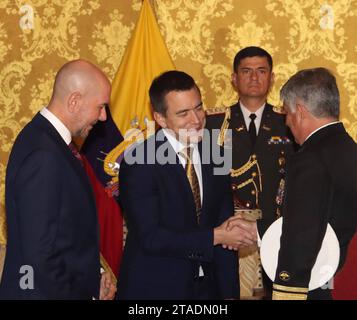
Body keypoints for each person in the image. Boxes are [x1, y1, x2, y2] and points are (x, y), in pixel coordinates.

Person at [117, 70, 256, 300]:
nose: (196, 119)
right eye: (183, 113)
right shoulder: (139, 162)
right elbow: (151, 237)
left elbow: (225, 227)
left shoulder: (216, 154)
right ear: (160, 119)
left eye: (199, 107)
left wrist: (230, 293)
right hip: (157, 289)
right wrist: (215, 237)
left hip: (208, 289)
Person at [0, 59, 116, 299]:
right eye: (101, 106)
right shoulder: (44, 154)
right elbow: (40, 256)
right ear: (74, 101)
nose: (104, 116)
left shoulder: (47, 140)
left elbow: (66, 236)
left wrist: (93, 278)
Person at [206, 46, 295, 298]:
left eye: (261, 71)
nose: (254, 78)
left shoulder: (288, 122)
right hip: (226, 233)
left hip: (275, 232)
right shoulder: (213, 123)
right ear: (234, 78)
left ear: (272, 77)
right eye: (246, 71)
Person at [271, 67, 357, 300]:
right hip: (343, 280)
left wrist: (286, 289)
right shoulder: (349, 149)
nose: (287, 122)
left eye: (286, 113)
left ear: (299, 111)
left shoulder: (310, 157)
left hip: (316, 285)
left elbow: (301, 233)